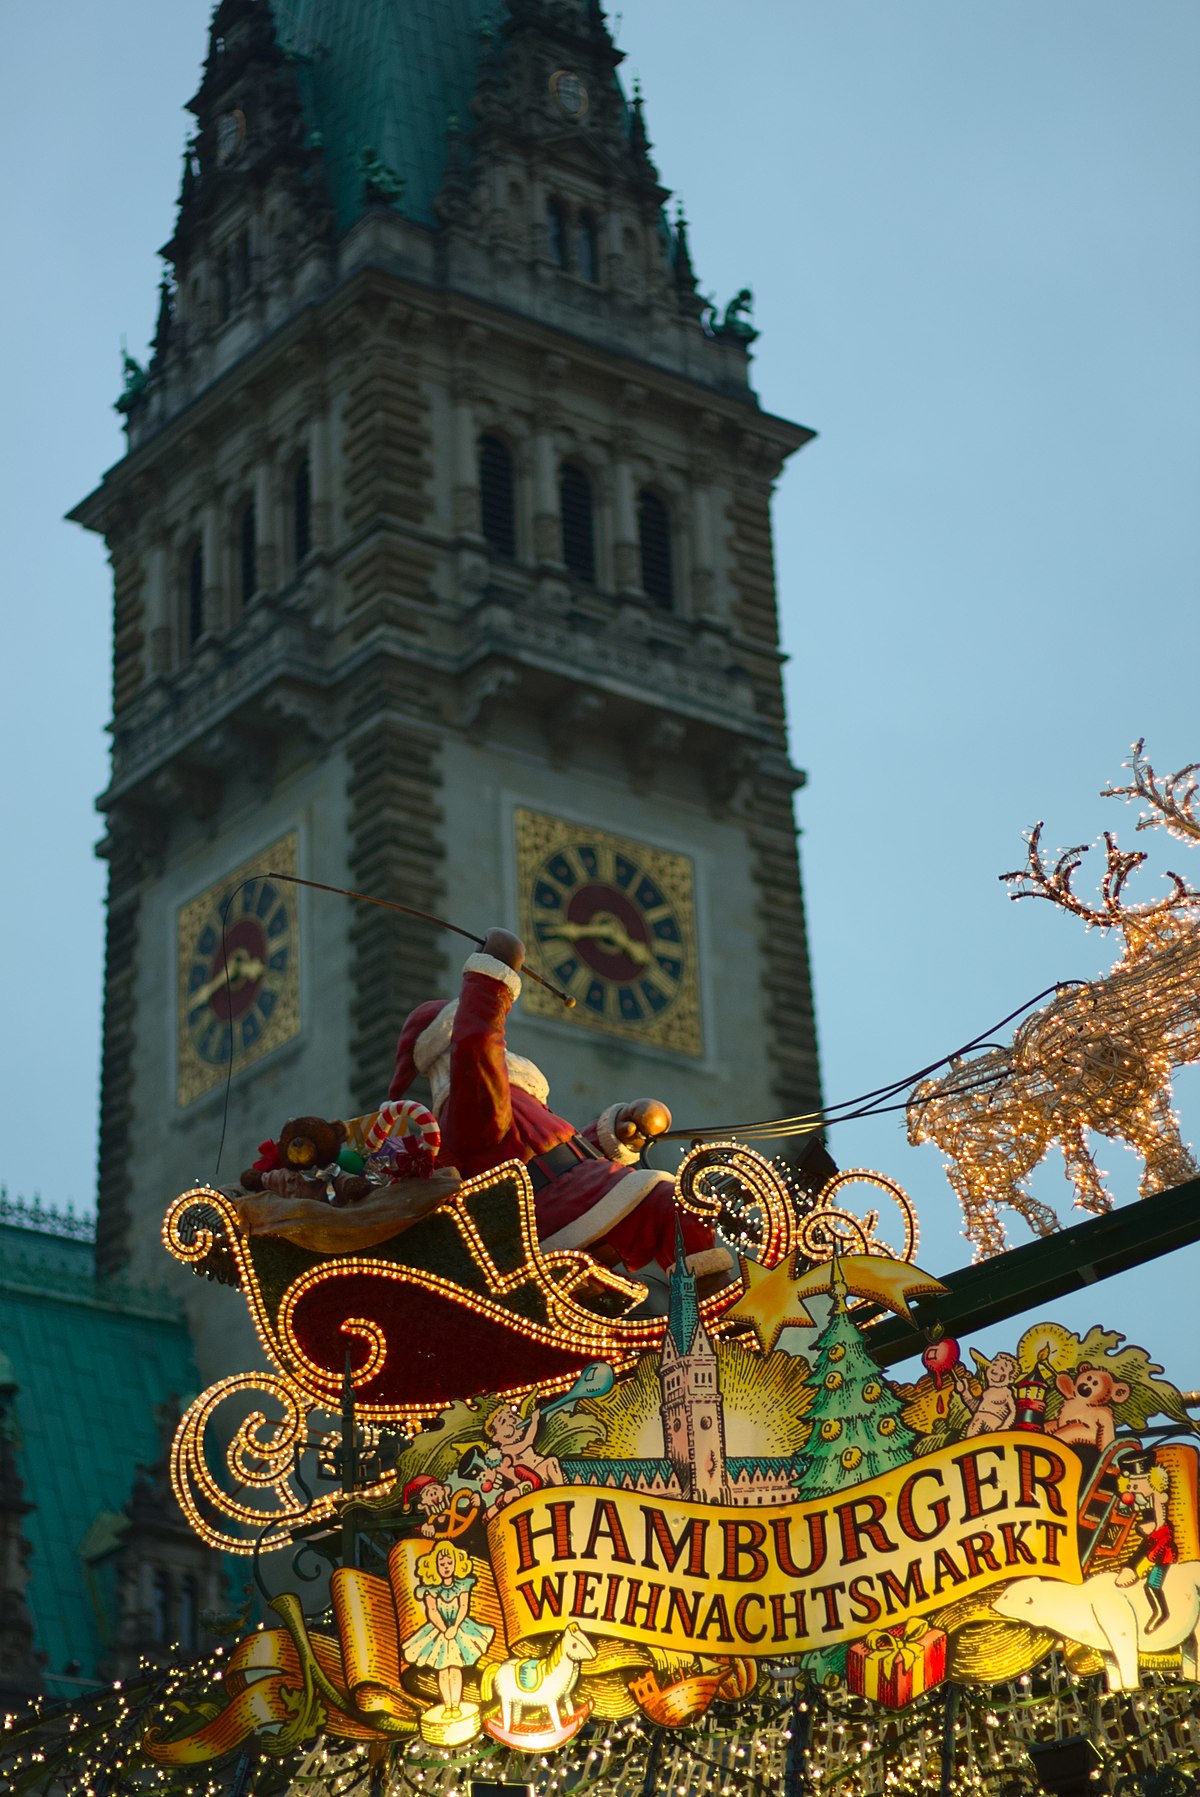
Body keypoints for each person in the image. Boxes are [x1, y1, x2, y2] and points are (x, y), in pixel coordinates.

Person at [388, 929, 729, 1294]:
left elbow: (553, 1149)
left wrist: (615, 1132)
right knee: (672, 1204)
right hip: (557, 1207)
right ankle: (712, 1312)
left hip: (574, 1191)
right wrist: (490, 979)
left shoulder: (513, 1100)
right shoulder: (473, 1100)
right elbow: (476, 1043)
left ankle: (695, 1306)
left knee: (674, 1203)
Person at [401, 1542, 494, 1717]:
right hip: (439, 1631)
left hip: (460, 1629)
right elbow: (433, 1611)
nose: (446, 1567)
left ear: (456, 1564)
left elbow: (464, 1607)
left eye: (449, 1563)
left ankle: (456, 1706)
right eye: (442, 1564)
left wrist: (455, 1627)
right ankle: (448, 1706)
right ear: (435, 1567)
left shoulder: (463, 1584)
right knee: (443, 1671)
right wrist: (445, 1629)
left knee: (456, 1669)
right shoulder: (429, 1589)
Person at [1115, 1450, 1177, 1633]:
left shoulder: (1157, 1497)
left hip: (1161, 1546)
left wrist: (1150, 1525)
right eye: (1131, 1485)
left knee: (1152, 1585)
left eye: (1137, 1484)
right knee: (1147, 1582)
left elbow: (1159, 1520)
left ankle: (1161, 1613)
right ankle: (1157, 1611)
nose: (1133, 1489)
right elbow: (1131, 1505)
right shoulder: (1141, 1498)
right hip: (1152, 1542)